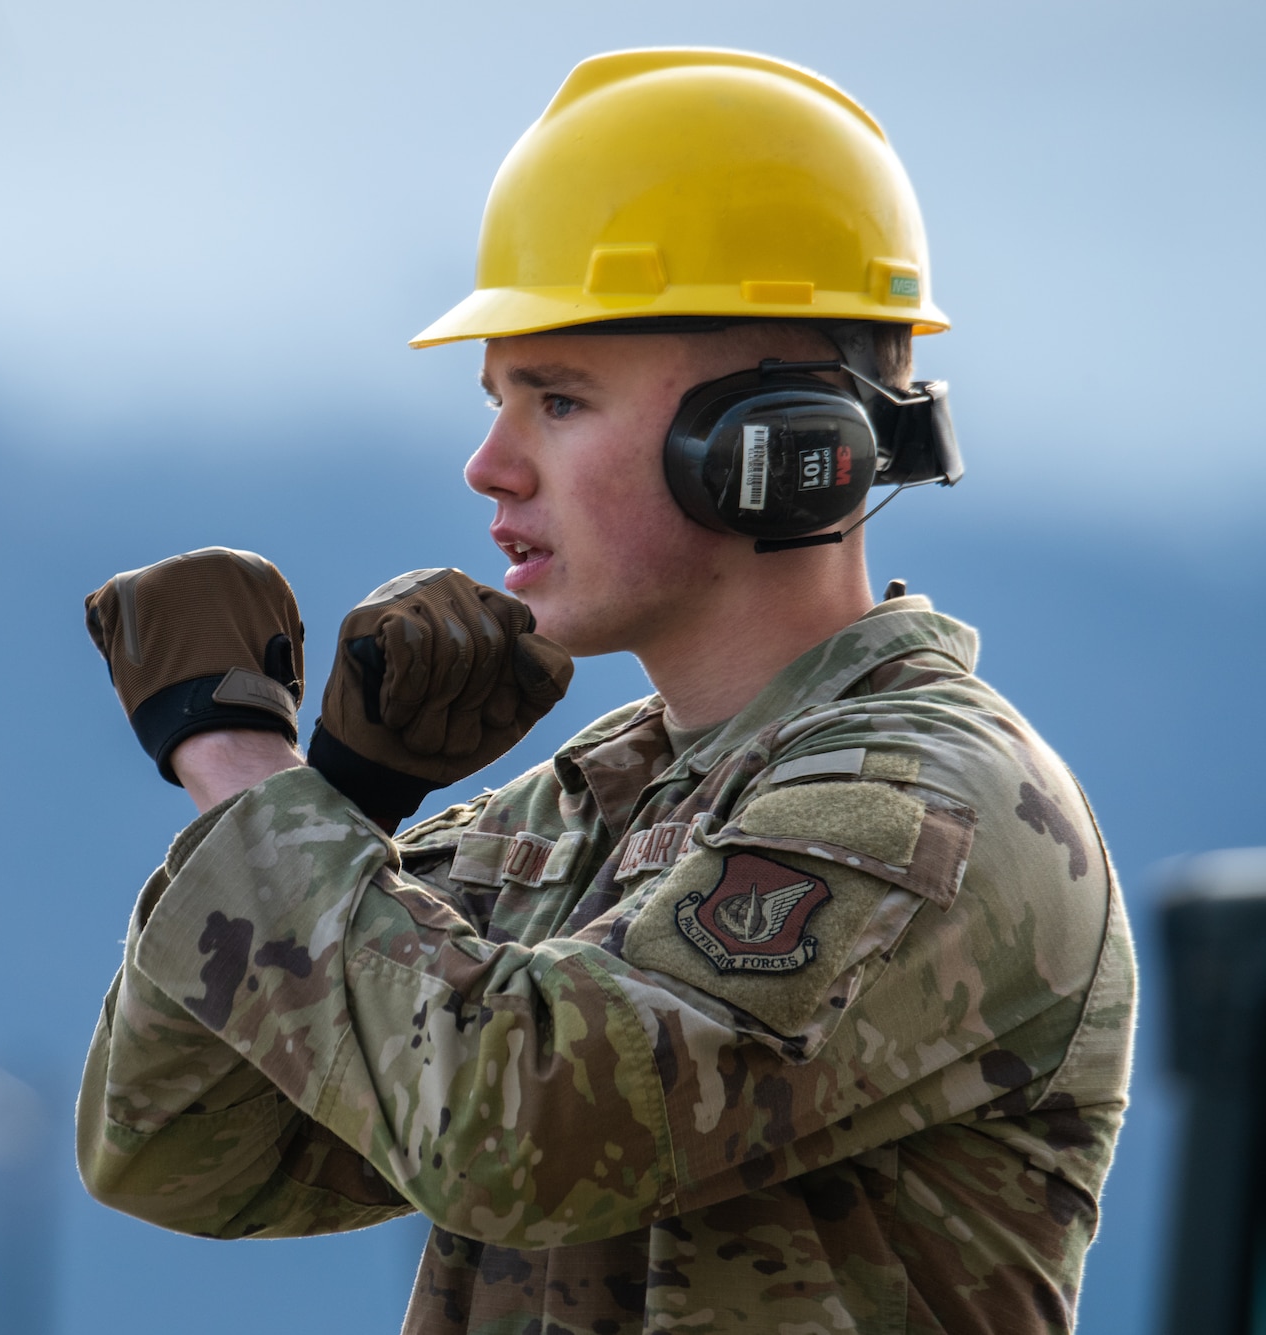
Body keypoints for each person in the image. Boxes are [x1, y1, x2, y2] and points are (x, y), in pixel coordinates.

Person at [75, 49, 1134, 1335]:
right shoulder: (592, 808)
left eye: (558, 400)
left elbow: (508, 1128)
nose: (486, 466)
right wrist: (347, 801)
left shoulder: (916, 808)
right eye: (495, 401)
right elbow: (181, 1152)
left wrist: (240, 769)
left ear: (776, 447)